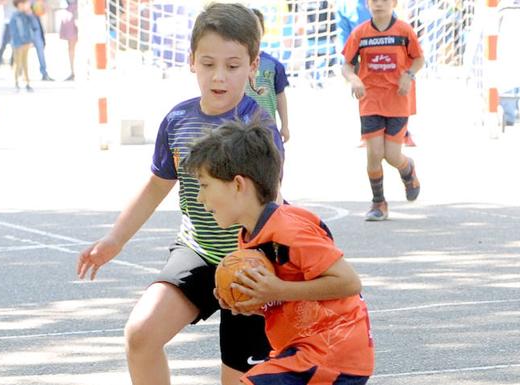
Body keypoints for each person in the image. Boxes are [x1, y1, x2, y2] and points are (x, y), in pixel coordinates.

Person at [76, 3, 285, 385]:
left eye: (233, 65)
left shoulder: (259, 127)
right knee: (141, 334)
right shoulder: (177, 121)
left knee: (236, 379)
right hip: (199, 251)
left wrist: (272, 274)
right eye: (208, 64)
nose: (219, 76)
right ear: (191, 61)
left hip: (249, 262)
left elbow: (271, 205)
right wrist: (114, 239)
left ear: (254, 65)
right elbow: (157, 185)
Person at [182, 119, 374, 385]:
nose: (200, 199)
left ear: (238, 185)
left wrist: (276, 290)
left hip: (330, 354)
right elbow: (292, 303)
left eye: (204, 186)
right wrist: (249, 302)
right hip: (306, 350)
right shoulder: (249, 238)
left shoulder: (290, 230)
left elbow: (349, 283)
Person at [341, 0, 424, 221]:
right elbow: (347, 65)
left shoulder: (404, 30)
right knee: (374, 154)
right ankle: (378, 203)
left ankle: (408, 170)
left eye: (384, 0)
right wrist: (354, 79)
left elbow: (418, 58)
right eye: (374, 0)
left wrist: (409, 75)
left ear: (394, 3)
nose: (379, 4)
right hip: (370, 100)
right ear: (368, 4)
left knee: (392, 156)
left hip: (397, 100)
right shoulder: (360, 33)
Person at [246, 9, 290, 143]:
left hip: (267, 128)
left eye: (255, 28)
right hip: (238, 126)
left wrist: (285, 126)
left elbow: (280, 95)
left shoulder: (274, 65)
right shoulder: (232, 63)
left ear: (262, 31)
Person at [9, 0, 34, 92]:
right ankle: (16, 82)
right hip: (18, 43)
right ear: (18, 4)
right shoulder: (14, 16)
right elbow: (13, 31)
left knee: (25, 63)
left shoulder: (26, 15)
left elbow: (33, 26)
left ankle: (27, 82)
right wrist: (17, 42)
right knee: (17, 63)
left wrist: (30, 14)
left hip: (26, 42)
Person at [30, 0, 54, 81]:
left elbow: (46, 8)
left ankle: (44, 73)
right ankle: (21, 74)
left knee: (40, 48)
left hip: (35, 24)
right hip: (24, 24)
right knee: (22, 50)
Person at [59, 0, 77, 80]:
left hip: (79, 12)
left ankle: (82, 70)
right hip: (69, 14)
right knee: (71, 46)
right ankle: (72, 71)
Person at [0, 0, 15, 68]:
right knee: (3, 44)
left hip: (16, 21)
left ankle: (13, 65)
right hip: (7, 22)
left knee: (15, 45)